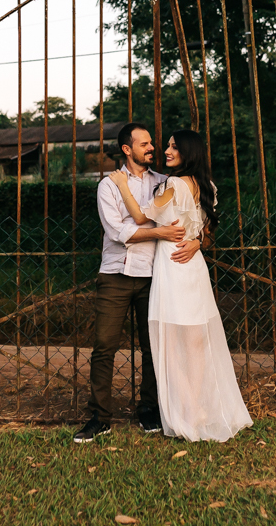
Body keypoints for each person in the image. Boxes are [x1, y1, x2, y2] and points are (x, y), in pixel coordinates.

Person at [108, 129, 252, 442]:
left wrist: (122, 185)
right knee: (196, 341)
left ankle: (190, 411)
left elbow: (141, 217)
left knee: (173, 342)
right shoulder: (207, 185)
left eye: (174, 146)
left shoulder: (173, 184)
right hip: (194, 266)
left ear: (188, 152)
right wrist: (197, 241)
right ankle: (199, 407)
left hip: (173, 265)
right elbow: (207, 231)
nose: (166, 150)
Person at [73, 122, 200, 444]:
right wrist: (158, 232)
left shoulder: (165, 181)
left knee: (153, 346)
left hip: (155, 276)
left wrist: (197, 241)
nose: (153, 148)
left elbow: (194, 216)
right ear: (127, 149)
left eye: (152, 143)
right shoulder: (108, 185)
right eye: (145, 144)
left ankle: (149, 409)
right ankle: (100, 418)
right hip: (115, 274)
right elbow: (117, 231)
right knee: (104, 347)